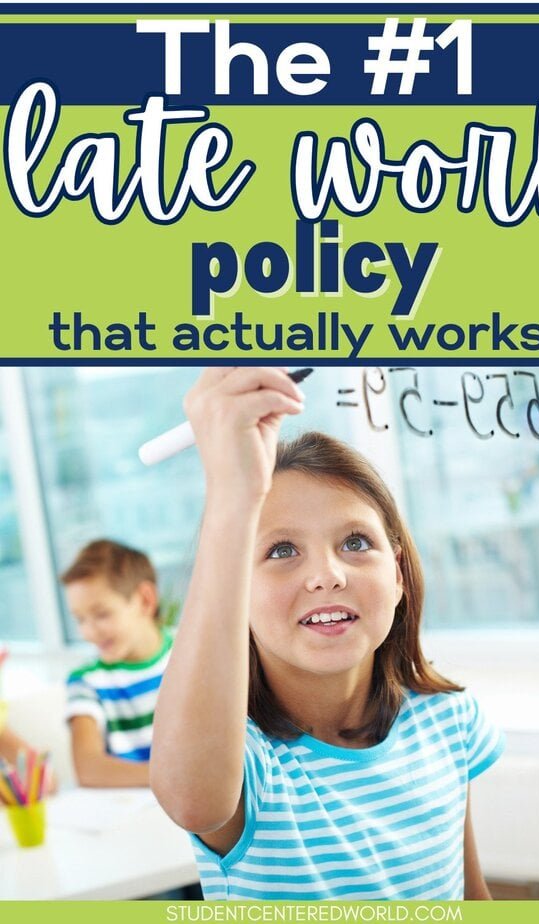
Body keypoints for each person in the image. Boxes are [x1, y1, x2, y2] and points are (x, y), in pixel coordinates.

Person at [151, 367, 505, 900]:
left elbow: (470, 897)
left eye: (356, 543)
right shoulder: (248, 765)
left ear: (399, 576)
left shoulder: (448, 720)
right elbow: (189, 799)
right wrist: (232, 494)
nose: (327, 574)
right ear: (233, 593)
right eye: (282, 551)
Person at [62, 539, 171, 787]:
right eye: (80, 619)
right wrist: (174, 779)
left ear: (145, 600)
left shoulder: (192, 655)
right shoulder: (86, 681)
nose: (88, 632)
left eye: (102, 614)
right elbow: (89, 769)